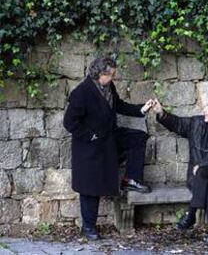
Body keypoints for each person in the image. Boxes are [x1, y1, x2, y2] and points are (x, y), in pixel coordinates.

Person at [63, 57, 153, 240]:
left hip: (109, 138)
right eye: (111, 74)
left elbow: (118, 105)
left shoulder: (108, 87)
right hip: (90, 147)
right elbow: (69, 122)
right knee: (90, 187)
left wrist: (141, 109)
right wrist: (91, 136)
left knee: (138, 138)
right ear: (100, 75)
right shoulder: (82, 93)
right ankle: (89, 227)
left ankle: (130, 180)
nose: (114, 78)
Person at [152, 95, 208, 242]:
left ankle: (191, 213)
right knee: (205, 182)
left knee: (204, 176)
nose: (204, 110)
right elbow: (178, 124)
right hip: (202, 175)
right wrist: (161, 112)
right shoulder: (197, 123)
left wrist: (202, 165)